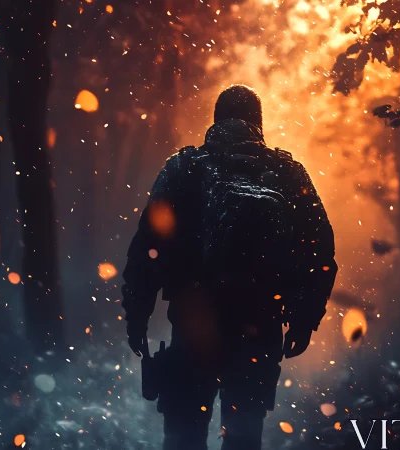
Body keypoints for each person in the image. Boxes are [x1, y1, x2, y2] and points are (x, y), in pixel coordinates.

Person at [121, 84, 337, 450]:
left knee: (184, 434)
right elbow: (320, 254)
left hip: (194, 323)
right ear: (259, 123)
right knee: (243, 436)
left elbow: (148, 247)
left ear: (216, 119)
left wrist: (137, 314)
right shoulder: (288, 173)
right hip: (260, 324)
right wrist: (303, 319)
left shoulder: (184, 167)